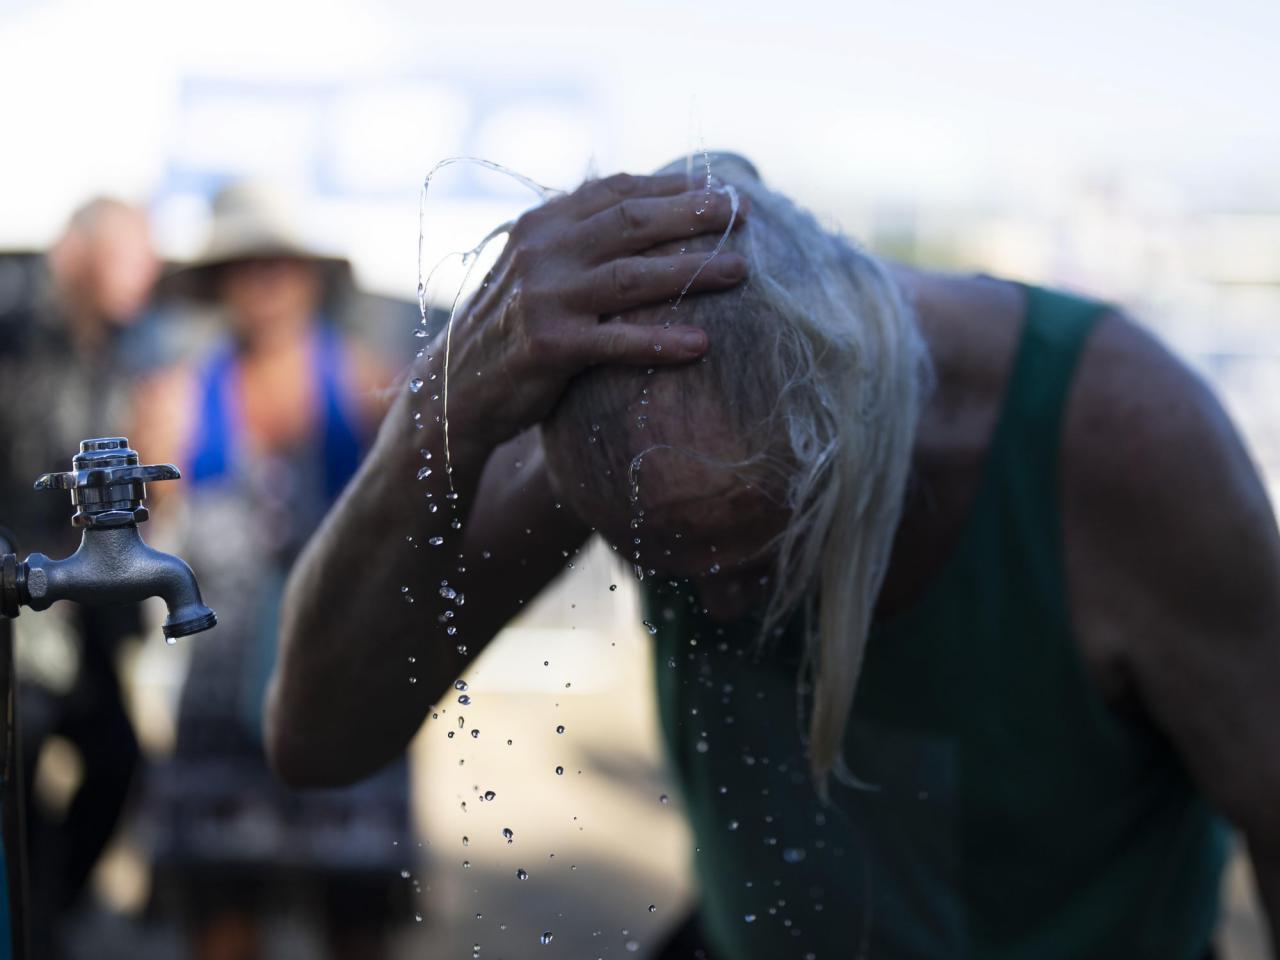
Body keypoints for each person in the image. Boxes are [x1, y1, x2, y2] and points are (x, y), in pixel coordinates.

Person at [266, 155, 1280, 959]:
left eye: (757, 550)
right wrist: (433, 417)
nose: (717, 601)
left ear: (854, 434)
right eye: (656, 563)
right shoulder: (625, 433)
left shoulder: (1116, 443)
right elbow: (316, 742)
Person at [132, 181, 413, 960]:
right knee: (223, 924)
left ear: (310, 275)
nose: (263, 282)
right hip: (221, 702)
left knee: (355, 923)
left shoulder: (368, 385)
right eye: (244, 265)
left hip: (349, 686)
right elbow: (147, 536)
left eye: (278, 264)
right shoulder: (179, 400)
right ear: (220, 281)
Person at [0, 197, 160, 959]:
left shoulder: (115, 349)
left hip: (77, 603)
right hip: (18, 588)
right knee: (18, 760)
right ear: (81, 254)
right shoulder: (17, 329)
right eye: (130, 254)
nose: (148, 271)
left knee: (118, 758)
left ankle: (46, 914)